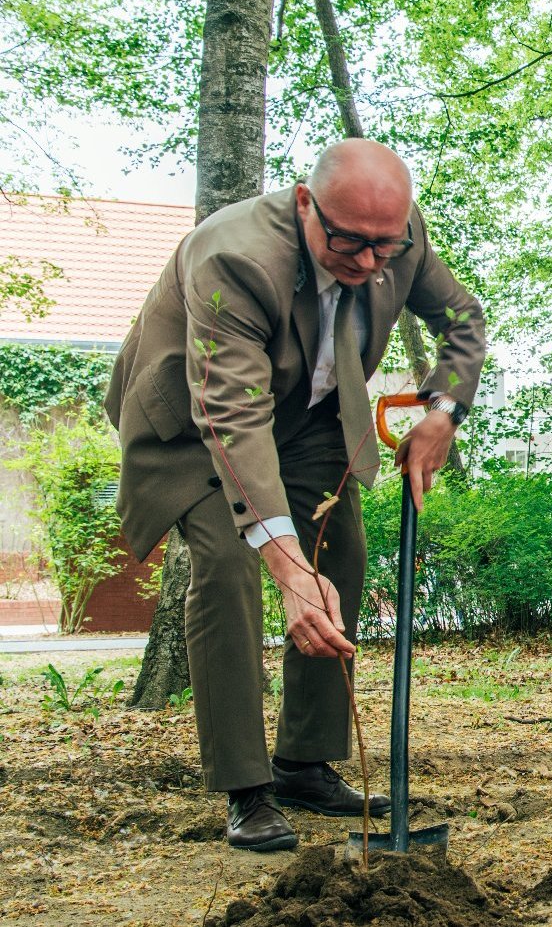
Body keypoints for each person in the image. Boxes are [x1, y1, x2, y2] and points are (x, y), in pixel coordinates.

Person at [104, 139, 486, 851]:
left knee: (339, 548)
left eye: (385, 246)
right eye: (349, 243)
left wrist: (444, 411)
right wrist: (284, 565)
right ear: (306, 204)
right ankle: (246, 787)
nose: (371, 263)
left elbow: (463, 319)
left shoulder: (398, 234)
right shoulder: (234, 255)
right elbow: (233, 418)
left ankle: (305, 762)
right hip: (196, 420)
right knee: (225, 564)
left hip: (307, 414)